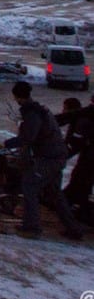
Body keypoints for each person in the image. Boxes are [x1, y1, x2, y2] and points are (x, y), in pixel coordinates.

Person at [4, 81, 83, 239]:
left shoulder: (32, 113)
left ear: (17, 97)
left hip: (50, 158)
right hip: (56, 155)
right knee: (55, 194)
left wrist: (7, 144)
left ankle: (32, 227)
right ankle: (74, 229)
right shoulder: (37, 109)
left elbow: (28, 137)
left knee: (29, 185)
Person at [55, 94, 94, 223]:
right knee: (81, 182)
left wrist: (62, 155)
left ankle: (75, 216)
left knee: (80, 181)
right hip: (88, 157)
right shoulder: (84, 115)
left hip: (89, 159)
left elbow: (76, 143)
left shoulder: (83, 118)